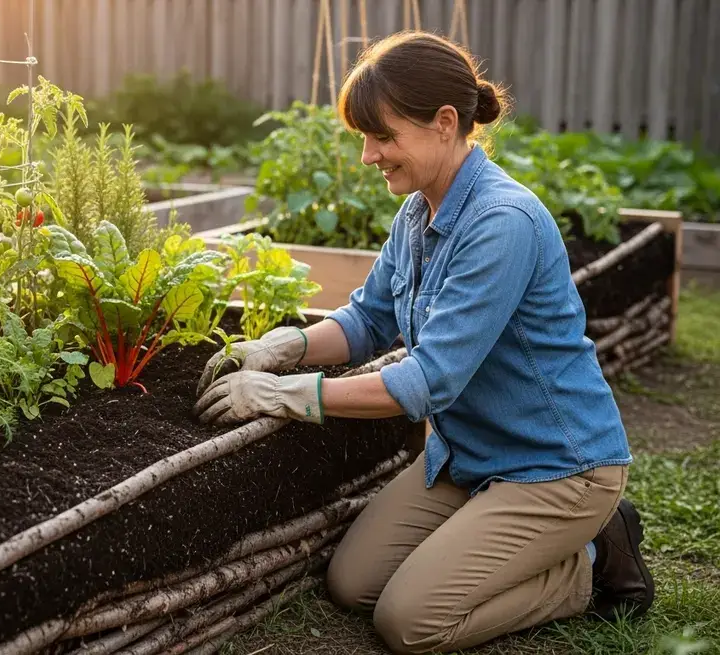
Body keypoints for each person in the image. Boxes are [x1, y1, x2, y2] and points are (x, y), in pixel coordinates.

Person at [192, 31, 654, 655]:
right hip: (468, 457)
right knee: (354, 584)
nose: (367, 155)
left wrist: (285, 394)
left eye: (383, 136)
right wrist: (284, 348)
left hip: (555, 467)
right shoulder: (419, 212)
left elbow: (428, 381)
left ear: (443, 124)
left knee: (410, 622)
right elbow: (366, 320)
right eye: (364, 136)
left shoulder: (501, 224)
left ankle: (593, 563)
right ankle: (517, 541)